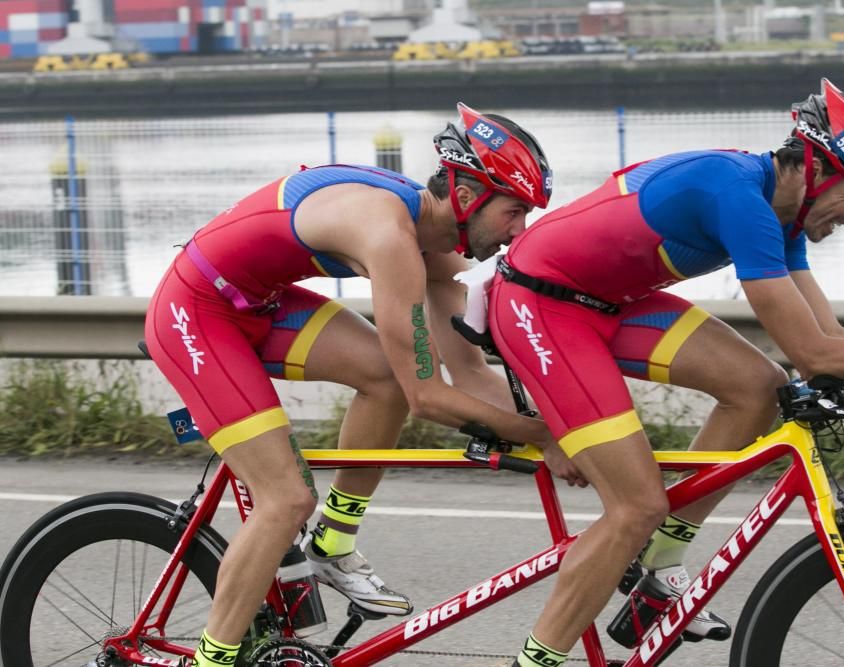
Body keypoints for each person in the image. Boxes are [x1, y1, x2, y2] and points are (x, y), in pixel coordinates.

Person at [487, 78, 844, 667]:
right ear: (813, 168)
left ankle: (658, 568)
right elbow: (818, 355)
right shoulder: (738, 197)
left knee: (759, 387)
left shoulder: (782, 221)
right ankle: (538, 660)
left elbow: (828, 335)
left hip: (612, 302)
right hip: (541, 306)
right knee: (635, 506)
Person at [144, 103, 582, 667]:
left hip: (258, 303)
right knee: (285, 499)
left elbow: (468, 372)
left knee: (384, 374)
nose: (521, 230)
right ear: (469, 197)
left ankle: (331, 542)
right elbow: (428, 394)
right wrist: (543, 435)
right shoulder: (391, 236)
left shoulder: (434, 241)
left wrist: (575, 433)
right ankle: (211, 660)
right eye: (515, 211)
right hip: (197, 311)